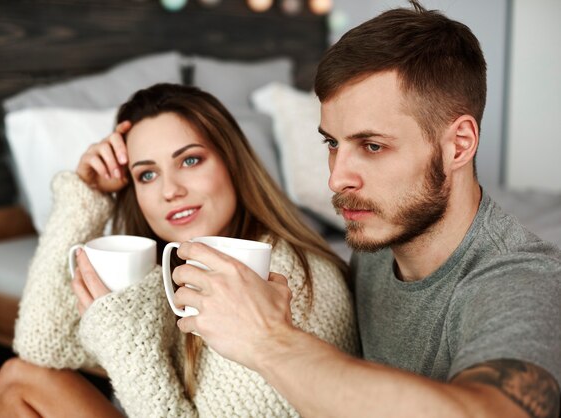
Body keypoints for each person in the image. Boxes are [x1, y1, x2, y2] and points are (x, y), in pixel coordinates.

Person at [169, 2, 561, 418]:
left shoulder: (522, 280)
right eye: (332, 144)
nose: (337, 179)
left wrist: (269, 340)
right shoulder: (376, 245)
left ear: (459, 145)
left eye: (372, 146)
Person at [0, 83, 358, 417]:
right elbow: (40, 345)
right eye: (147, 175)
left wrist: (127, 344)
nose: (170, 190)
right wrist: (84, 199)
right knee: (21, 377)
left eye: (190, 160)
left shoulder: (282, 277)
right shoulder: (178, 267)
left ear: (232, 162)